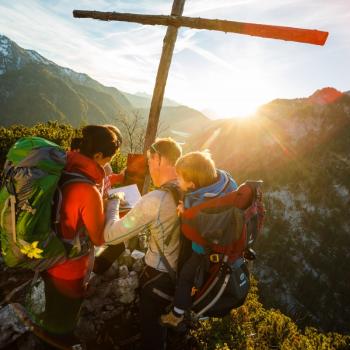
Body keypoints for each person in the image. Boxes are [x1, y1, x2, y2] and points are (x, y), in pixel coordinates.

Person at [35, 125, 122, 347]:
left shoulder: (63, 167)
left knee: (53, 311)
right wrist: (113, 205)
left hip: (48, 255)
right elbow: (99, 238)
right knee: (64, 322)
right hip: (70, 269)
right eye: (107, 160)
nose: (106, 166)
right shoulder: (87, 190)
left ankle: (47, 335)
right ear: (98, 155)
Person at [103, 137, 182, 350]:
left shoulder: (156, 199)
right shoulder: (190, 187)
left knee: (152, 333)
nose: (148, 168)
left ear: (157, 159)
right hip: (183, 275)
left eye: (149, 162)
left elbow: (110, 235)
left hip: (159, 276)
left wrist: (114, 201)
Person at [160, 151, 237, 328]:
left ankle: (176, 315)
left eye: (179, 178)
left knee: (186, 277)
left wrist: (183, 213)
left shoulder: (196, 203)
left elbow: (191, 231)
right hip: (227, 239)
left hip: (204, 250)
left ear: (193, 184)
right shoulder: (226, 181)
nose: (177, 181)